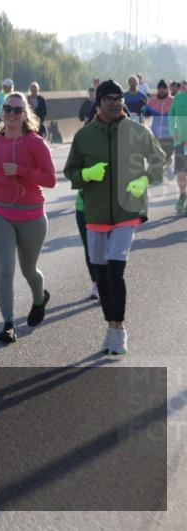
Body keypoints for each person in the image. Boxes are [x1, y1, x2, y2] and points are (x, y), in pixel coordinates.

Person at [63, 80, 166, 355]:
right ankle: (110, 326)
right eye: (108, 98)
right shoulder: (85, 136)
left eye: (118, 97)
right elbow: (70, 171)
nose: (115, 102)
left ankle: (119, 330)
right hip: (95, 212)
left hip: (127, 210)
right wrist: (85, 175)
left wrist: (145, 181)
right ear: (98, 104)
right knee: (101, 272)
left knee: (116, 269)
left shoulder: (136, 131)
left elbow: (160, 161)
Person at [0, 93, 55, 343]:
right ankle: (8, 323)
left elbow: (51, 179)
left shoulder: (35, 143)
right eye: (7, 109)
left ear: (25, 114)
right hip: (0, 212)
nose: (11, 114)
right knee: (5, 269)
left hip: (32, 215)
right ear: (1, 112)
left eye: (17, 110)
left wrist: (21, 171)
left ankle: (39, 298)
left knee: (28, 270)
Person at [142, 80, 175, 181]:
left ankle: (168, 168)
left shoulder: (173, 100)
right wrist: (145, 107)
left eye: (163, 88)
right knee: (157, 155)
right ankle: (159, 173)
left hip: (170, 133)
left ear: (167, 89)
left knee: (168, 154)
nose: (161, 90)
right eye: (159, 88)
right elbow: (146, 114)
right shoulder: (152, 101)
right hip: (155, 134)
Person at [170, 82, 187, 215]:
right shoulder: (178, 99)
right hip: (180, 142)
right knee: (181, 173)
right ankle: (182, 195)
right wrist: (173, 130)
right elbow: (171, 117)